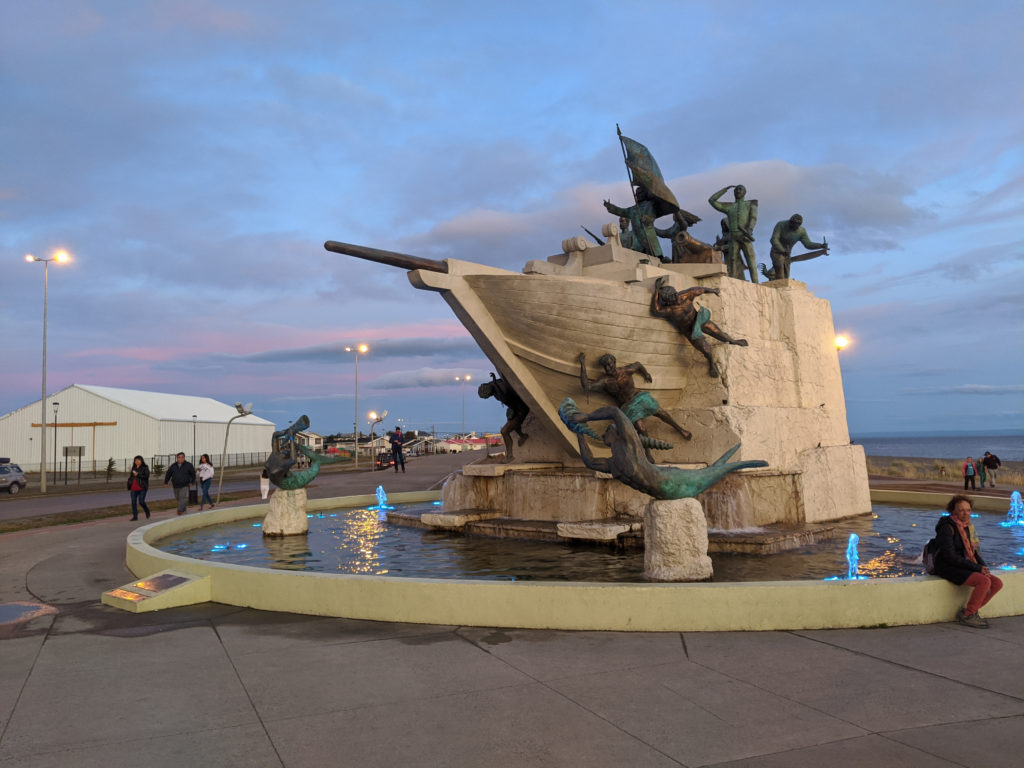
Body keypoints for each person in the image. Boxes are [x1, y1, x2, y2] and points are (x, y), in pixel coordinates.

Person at [578, 352, 691, 461]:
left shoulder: (625, 371)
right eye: (605, 366)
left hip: (639, 397)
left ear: (614, 362)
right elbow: (587, 386)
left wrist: (645, 374)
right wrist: (583, 364)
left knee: (660, 412)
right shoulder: (605, 381)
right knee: (641, 428)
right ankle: (647, 452)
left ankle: (680, 429)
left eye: (610, 363)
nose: (608, 367)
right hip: (627, 406)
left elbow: (638, 365)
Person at [650, 276, 749, 378]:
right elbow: (655, 310)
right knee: (706, 349)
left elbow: (699, 290)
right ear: (667, 301)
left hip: (699, 319)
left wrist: (713, 290)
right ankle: (711, 363)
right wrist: (656, 291)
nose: (673, 300)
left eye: (674, 296)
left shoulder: (685, 295)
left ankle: (733, 341)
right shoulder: (670, 309)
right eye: (670, 300)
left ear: (675, 293)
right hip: (690, 330)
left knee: (720, 334)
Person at [933, 495, 1002, 628]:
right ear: (953, 511)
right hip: (947, 566)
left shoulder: (967, 527)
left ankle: (969, 611)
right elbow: (949, 556)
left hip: (963, 564)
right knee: (983, 581)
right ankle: (969, 615)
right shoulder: (946, 527)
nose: (966, 514)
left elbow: (973, 552)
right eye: (961, 510)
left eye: (968, 510)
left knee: (996, 583)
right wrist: (976, 568)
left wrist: (983, 567)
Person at [709, 184, 758, 282]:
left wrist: (749, 230)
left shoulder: (750, 204)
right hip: (733, 238)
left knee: (751, 261)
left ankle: (756, 283)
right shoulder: (730, 207)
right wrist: (725, 190)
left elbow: (753, 218)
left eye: (740, 189)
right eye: (736, 190)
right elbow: (712, 201)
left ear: (744, 192)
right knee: (733, 262)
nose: (738, 191)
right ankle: (734, 283)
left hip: (745, 236)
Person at [604, 186, 665, 261]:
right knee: (638, 256)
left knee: (654, 257)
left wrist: (647, 219)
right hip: (637, 237)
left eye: (640, 193)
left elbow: (651, 217)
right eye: (637, 194)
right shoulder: (633, 209)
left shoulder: (649, 205)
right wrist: (610, 207)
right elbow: (622, 211)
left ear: (644, 194)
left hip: (647, 236)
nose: (638, 195)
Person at [765, 214, 828, 280]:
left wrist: (820, 245)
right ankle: (772, 276)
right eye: (792, 223)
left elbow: (808, 244)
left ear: (799, 225)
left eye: (796, 225)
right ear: (790, 222)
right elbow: (774, 239)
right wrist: (782, 250)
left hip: (787, 255)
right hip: (776, 252)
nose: (793, 226)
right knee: (780, 274)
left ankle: (771, 274)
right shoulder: (781, 225)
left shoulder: (801, 231)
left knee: (786, 277)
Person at [655, 210, 720, 264]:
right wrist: (651, 227)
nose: (673, 216)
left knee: (681, 260)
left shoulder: (683, 224)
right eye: (673, 214)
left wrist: (675, 210)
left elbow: (681, 221)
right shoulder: (673, 227)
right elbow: (663, 233)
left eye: (674, 215)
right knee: (676, 262)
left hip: (681, 246)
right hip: (675, 247)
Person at [164, 451, 196, 516]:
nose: (180, 459)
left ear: (184, 458)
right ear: (177, 458)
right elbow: (168, 474)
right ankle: (183, 509)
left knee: (182, 497)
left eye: (182, 457)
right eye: (179, 457)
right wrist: (166, 482)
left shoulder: (189, 465)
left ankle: (179, 510)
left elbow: (193, 474)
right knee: (178, 498)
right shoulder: (173, 466)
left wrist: (192, 482)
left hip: (185, 485)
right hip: (175, 485)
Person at [126, 455, 151, 521]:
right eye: (135, 460)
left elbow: (146, 476)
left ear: (141, 461)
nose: (137, 461)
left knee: (141, 502)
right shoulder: (134, 467)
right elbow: (131, 476)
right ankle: (135, 516)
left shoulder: (145, 467)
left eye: (138, 460)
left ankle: (147, 511)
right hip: (133, 488)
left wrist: (138, 475)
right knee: (133, 502)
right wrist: (129, 481)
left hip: (142, 487)